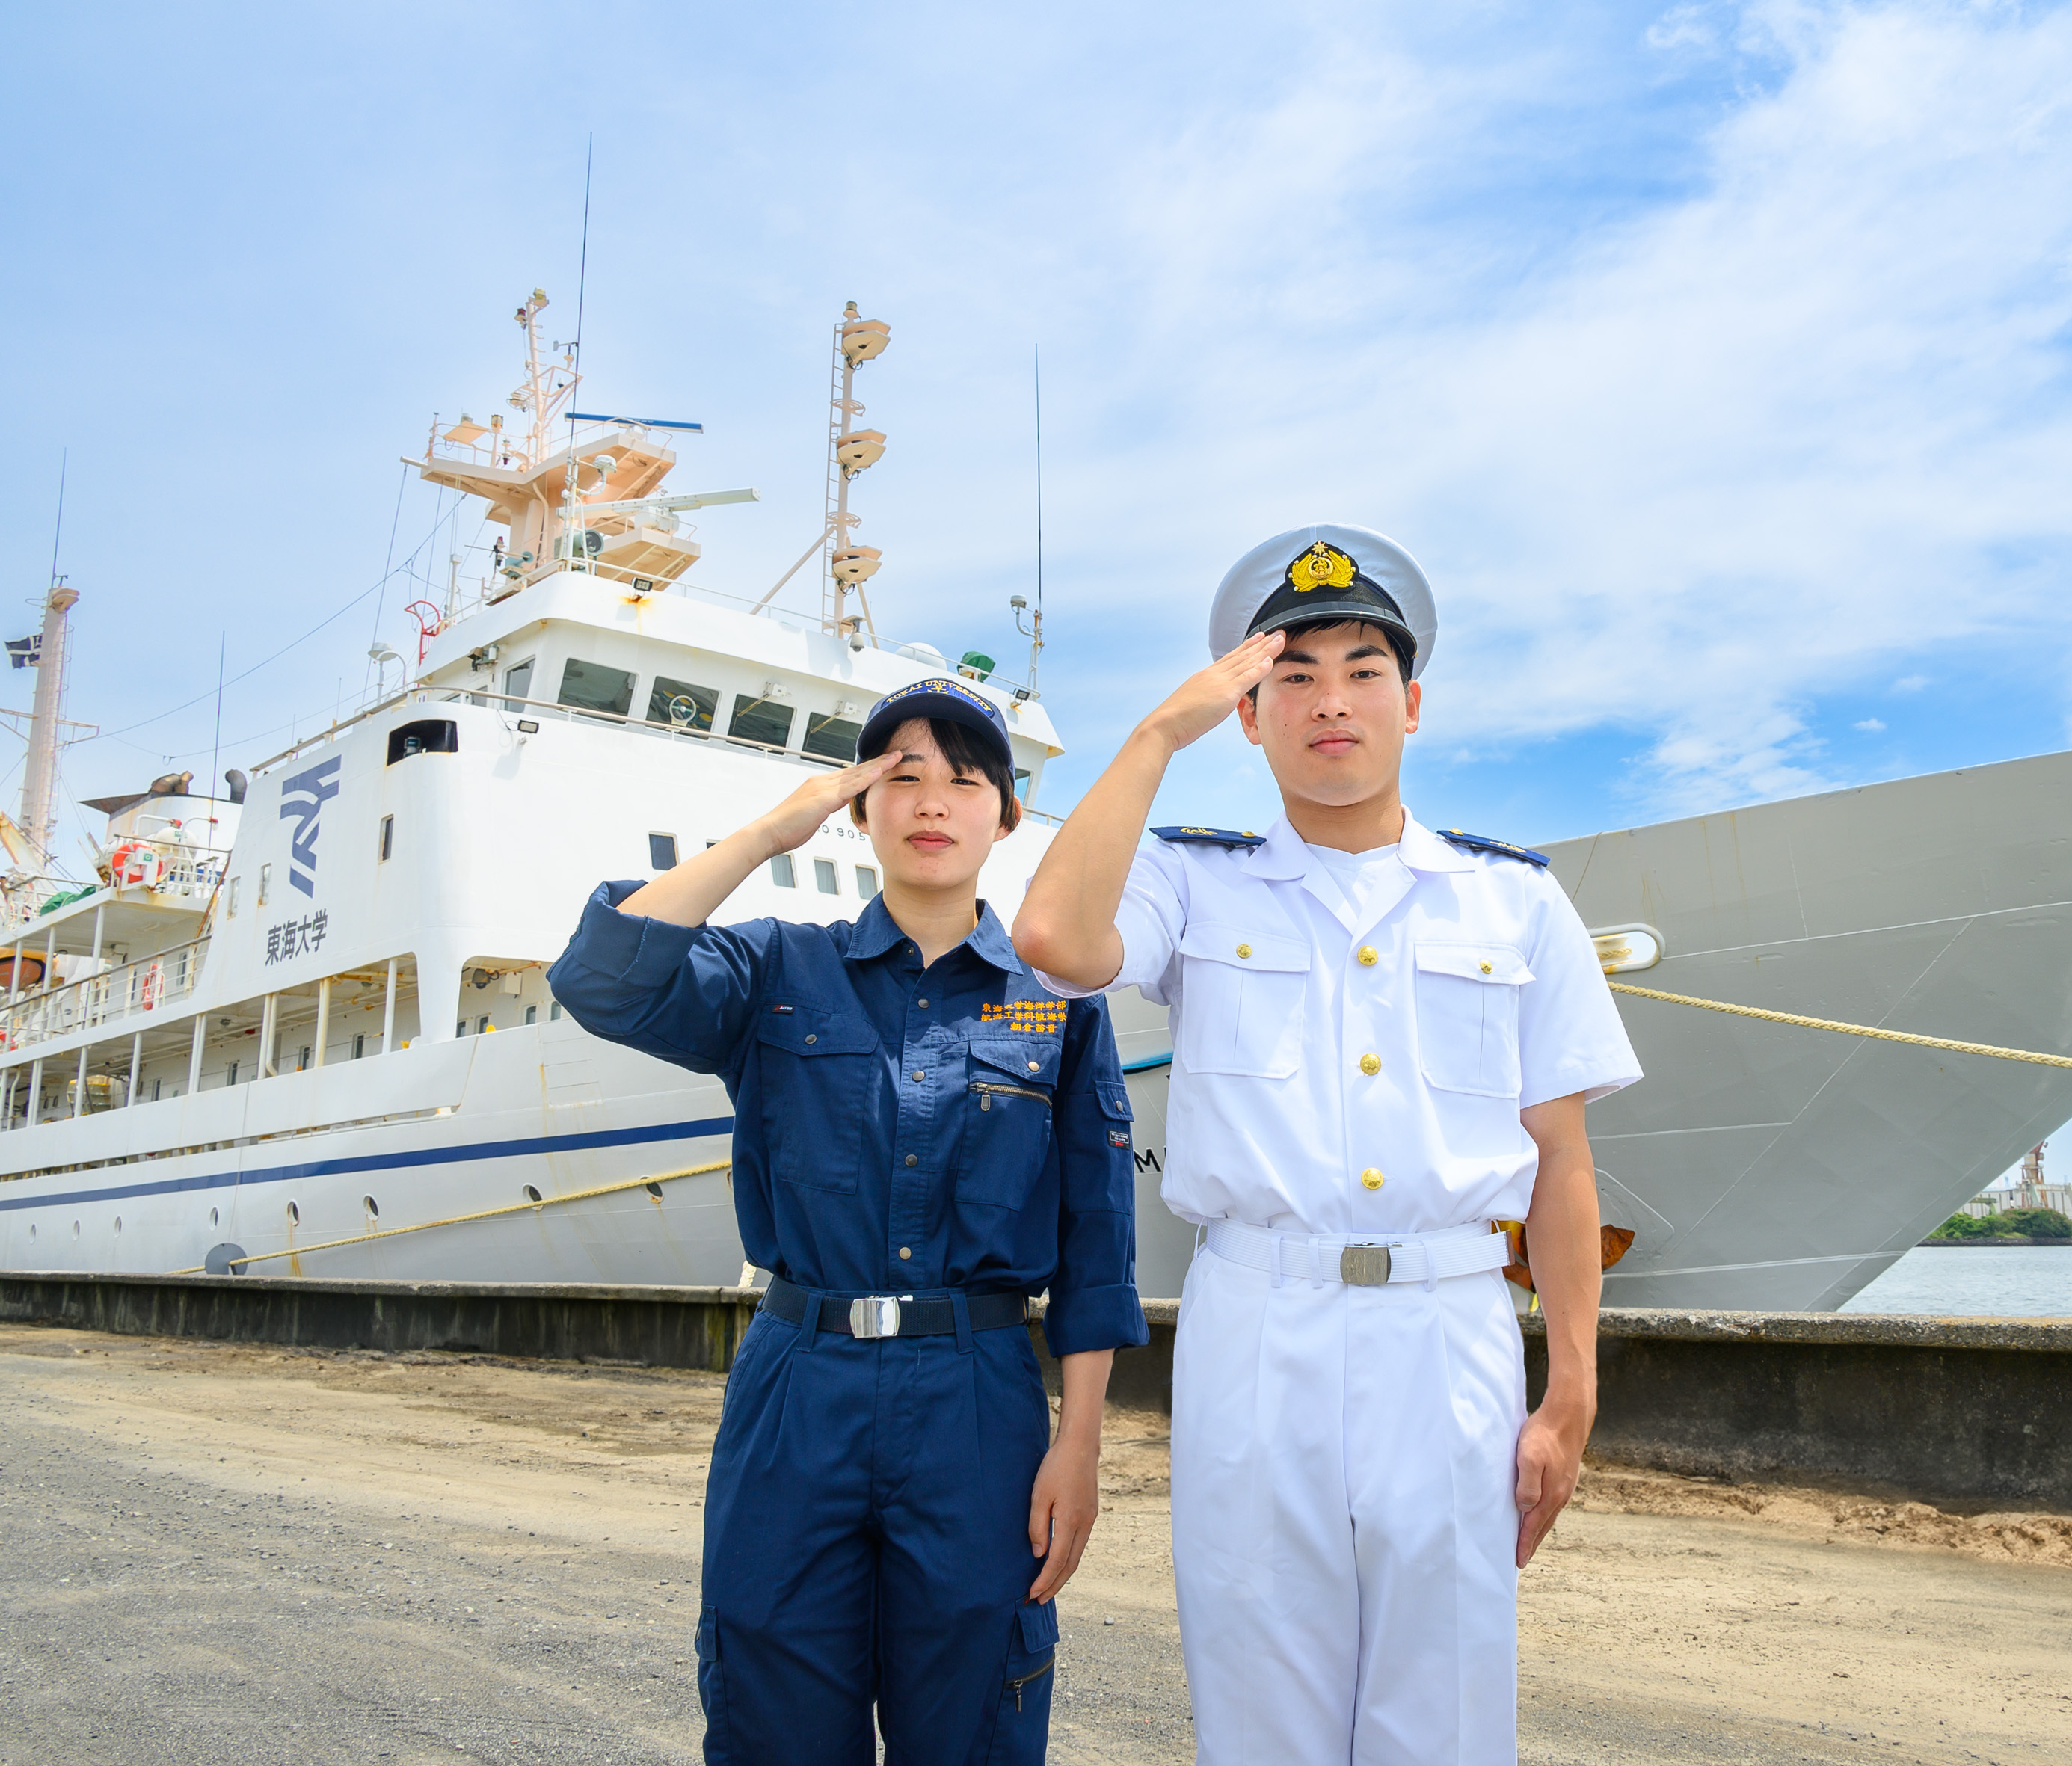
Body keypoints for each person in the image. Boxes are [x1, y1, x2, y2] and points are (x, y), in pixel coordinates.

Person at [1011, 524, 1641, 1765]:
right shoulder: (1195, 887)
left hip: (1449, 1334)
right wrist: (1155, 735)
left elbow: (1561, 1164)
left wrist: (1571, 1393)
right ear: (1249, 714)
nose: (1329, 702)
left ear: (1412, 703)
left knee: (1446, 1719)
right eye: (1290, 676)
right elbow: (1051, 939)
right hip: (1258, 1329)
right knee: (1261, 1720)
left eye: (1361, 670)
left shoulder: (1513, 901)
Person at [547, 675, 1148, 1766]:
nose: (932, 801)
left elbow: (1098, 1245)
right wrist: (780, 824)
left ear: (1007, 816)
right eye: (900, 776)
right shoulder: (777, 965)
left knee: (974, 1711)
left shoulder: (1054, 1002)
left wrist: (1080, 1443)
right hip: (797, 1380)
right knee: (774, 1700)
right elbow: (601, 979)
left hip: (977, 1399)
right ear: (860, 807)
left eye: (967, 780)